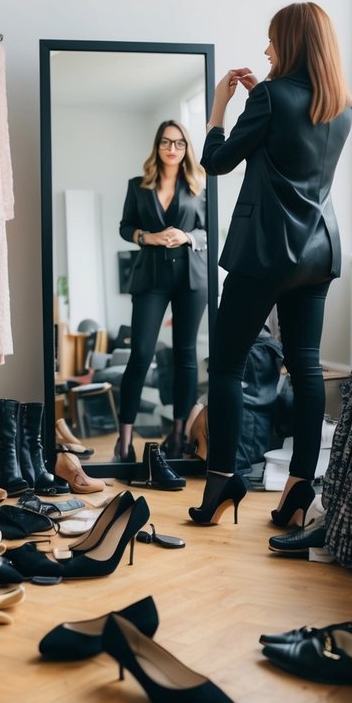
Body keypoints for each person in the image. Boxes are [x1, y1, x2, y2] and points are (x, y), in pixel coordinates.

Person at [188, 2, 352, 533]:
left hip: (265, 253)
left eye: (272, 41)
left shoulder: (269, 97)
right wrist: (263, 99)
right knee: (305, 366)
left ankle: (221, 481)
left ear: (293, 43)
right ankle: (298, 492)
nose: (265, 50)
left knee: (228, 365)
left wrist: (220, 108)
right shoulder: (341, 105)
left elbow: (215, 161)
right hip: (318, 251)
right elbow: (294, 155)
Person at [115, 120, 208, 474]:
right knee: (140, 355)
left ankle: (179, 436)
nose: (172, 148)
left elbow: (208, 231)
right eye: (166, 142)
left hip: (190, 277)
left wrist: (187, 238)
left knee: (186, 356)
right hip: (150, 277)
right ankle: (124, 441)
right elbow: (125, 226)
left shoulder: (198, 186)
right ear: (157, 146)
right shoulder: (137, 186)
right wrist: (147, 237)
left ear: (186, 149)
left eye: (180, 143)